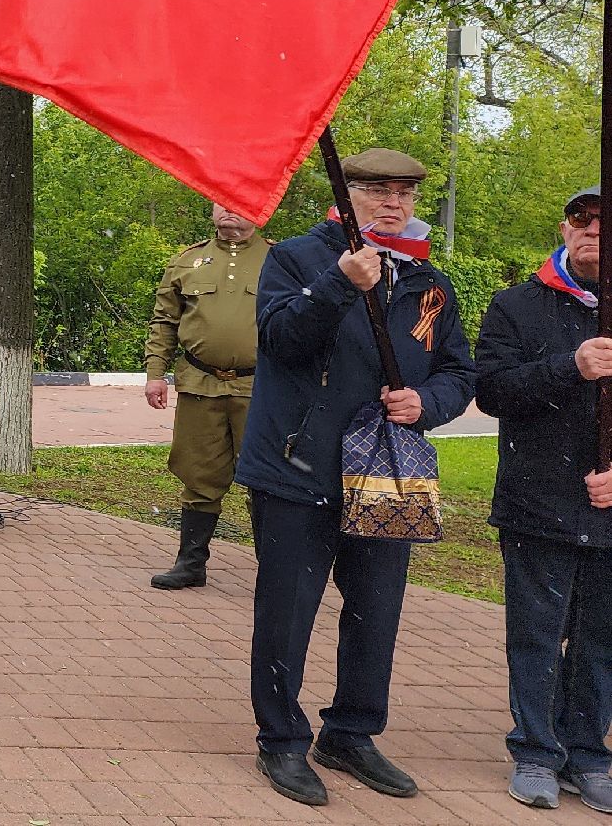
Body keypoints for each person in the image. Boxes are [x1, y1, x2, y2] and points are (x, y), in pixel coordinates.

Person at [235, 148, 476, 806]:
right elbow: (280, 339)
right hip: (296, 466)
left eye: (402, 192)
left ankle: (349, 732)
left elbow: (459, 371)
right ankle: (280, 740)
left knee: (375, 615)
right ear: (344, 195)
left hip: (386, 474)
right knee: (286, 613)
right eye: (374, 189)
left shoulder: (430, 282)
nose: (390, 202)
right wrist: (341, 281)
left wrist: (427, 404)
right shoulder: (297, 259)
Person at [475, 184, 612, 812]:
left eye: (603, 223)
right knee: (536, 630)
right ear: (564, 229)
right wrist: (569, 366)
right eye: (581, 221)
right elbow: (494, 392)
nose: (592, 232)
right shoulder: (516, 307)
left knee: (600, 636)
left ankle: (587, 754)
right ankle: (534, 750)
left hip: (608, 506)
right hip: (538, 500)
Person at [143, 203, 270, 589]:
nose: (230, 210)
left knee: (266, 479)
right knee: (198, 474)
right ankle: (191, 562)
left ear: (261, 212)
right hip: (200, 384)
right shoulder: (187, 260)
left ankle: (275, 571)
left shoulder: (279, 259)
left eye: (241, 204)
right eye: (222, 202)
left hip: (261, 388)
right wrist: (155, 374)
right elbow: (164, 320)